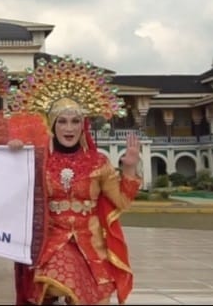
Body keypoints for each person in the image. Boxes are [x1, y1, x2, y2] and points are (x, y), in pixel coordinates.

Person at [11, 55, 141, 305]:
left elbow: (122, 202)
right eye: (62, 121)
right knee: (58, 277)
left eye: (75, 121)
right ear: (52, 125)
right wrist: (15, 154)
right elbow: (16, 193)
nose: (68, 128)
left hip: (90, 243)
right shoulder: (38, 159)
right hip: (52, 241)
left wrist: (130, 168)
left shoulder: (98, 162)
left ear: (83, 126)